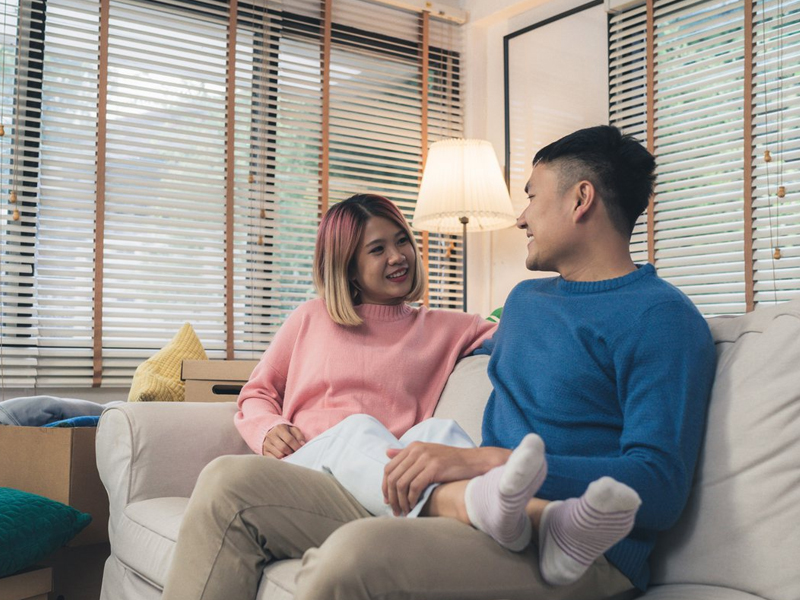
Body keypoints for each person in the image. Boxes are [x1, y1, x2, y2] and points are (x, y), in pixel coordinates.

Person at [162, 126, 717, 600]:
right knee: (228, 485)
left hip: (584, 549)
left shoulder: (661, 318)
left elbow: (660, 488)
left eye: (531, 196)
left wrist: (486, 461)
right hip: (485, 514)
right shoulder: (526, 302)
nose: (521, 217)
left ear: (581, 200)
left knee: (354, 558)